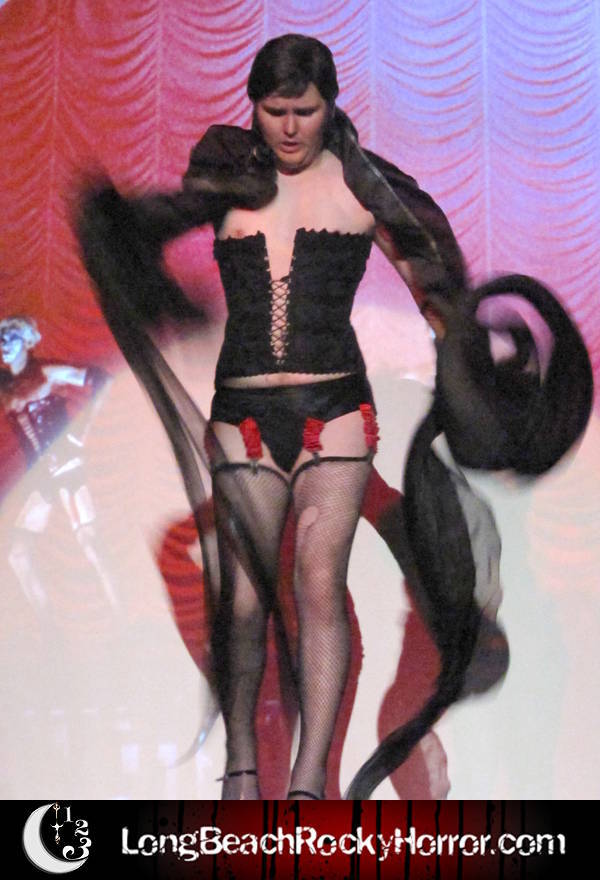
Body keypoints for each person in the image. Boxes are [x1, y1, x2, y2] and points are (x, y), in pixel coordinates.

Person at [76, 35, 592, 799]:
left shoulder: (364, 187)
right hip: (244, 411)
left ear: (331, 106)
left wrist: (477, 374)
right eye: (274, 110)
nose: (289, 127)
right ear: (254, 107)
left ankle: (309, 781)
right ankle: (242, 768)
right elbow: (140, 230)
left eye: (305, 110)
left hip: (336, 413)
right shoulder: (227, 179)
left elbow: (437, 289)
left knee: (319, 587)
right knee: (243, 601)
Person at [0, 315, 116, 610]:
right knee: (18, 554)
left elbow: (102, 379)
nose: (3, 344)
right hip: (41, 476)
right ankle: (48, 629)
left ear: (26, 342)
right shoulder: (5, 384)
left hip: (65, 465)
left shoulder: (47, 372)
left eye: (10, 337)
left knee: (90, 543)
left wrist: (81, 434)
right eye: (1, 338)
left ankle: (124, 616)